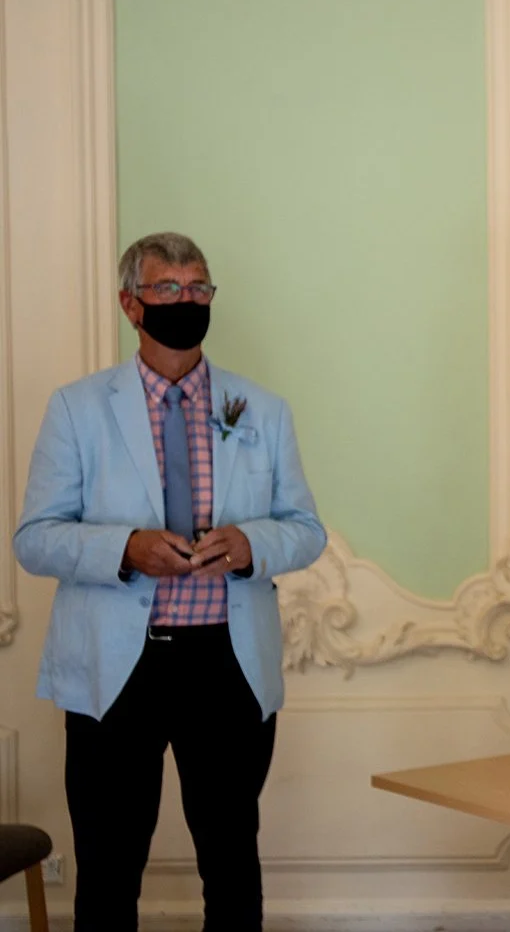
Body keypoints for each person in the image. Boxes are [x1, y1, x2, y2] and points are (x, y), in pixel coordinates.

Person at [14, 232, 326, 931]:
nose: (187, 301)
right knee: (107, 866)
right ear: (131, 304)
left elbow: (306, 529)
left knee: (231, 862)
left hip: (227, 661)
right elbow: (34, 539)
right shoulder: (78, 409)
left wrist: (251, 544)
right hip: (118, 668)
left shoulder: (262, 411)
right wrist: (124, 548)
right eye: (168, 290)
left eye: (198, 289)